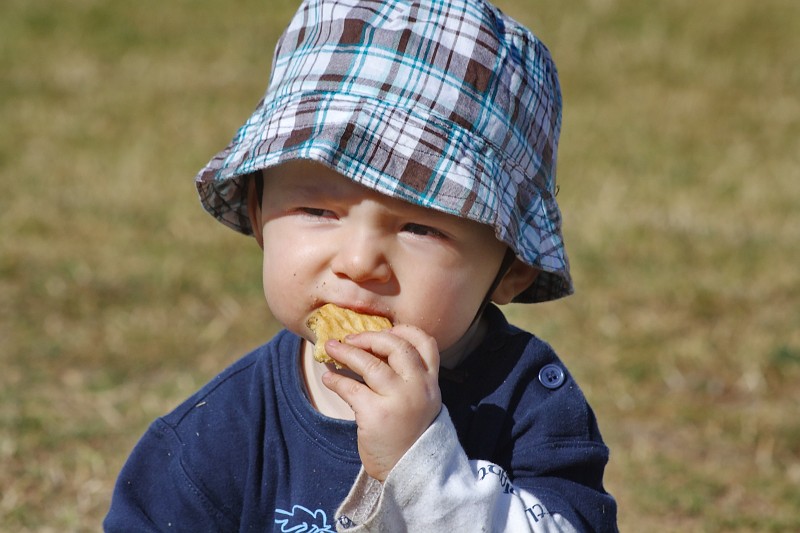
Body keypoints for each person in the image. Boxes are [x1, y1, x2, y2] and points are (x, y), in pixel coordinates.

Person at [104, 0, 618, 530]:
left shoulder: (525, 406)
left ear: (512, 269)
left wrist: (421, 469)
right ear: (258, 214)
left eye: (420, 227)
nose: (358, 262)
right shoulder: (220, 434)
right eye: (318, 210)